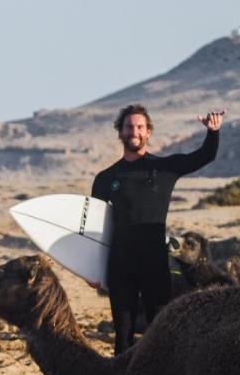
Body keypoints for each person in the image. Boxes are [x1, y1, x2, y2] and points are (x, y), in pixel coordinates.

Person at [91, 104, 224, 354]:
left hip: (155, 264)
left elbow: (204, 156)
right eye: (129, 127)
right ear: (120, 132)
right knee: (122, 336)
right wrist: (91, 271)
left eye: (140, 127)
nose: (134, 132)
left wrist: (213, 132)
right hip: (120, 266)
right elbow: (95, 229)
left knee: (159, 334)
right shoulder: (106, 178)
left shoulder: (165, 168)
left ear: (148, 132)